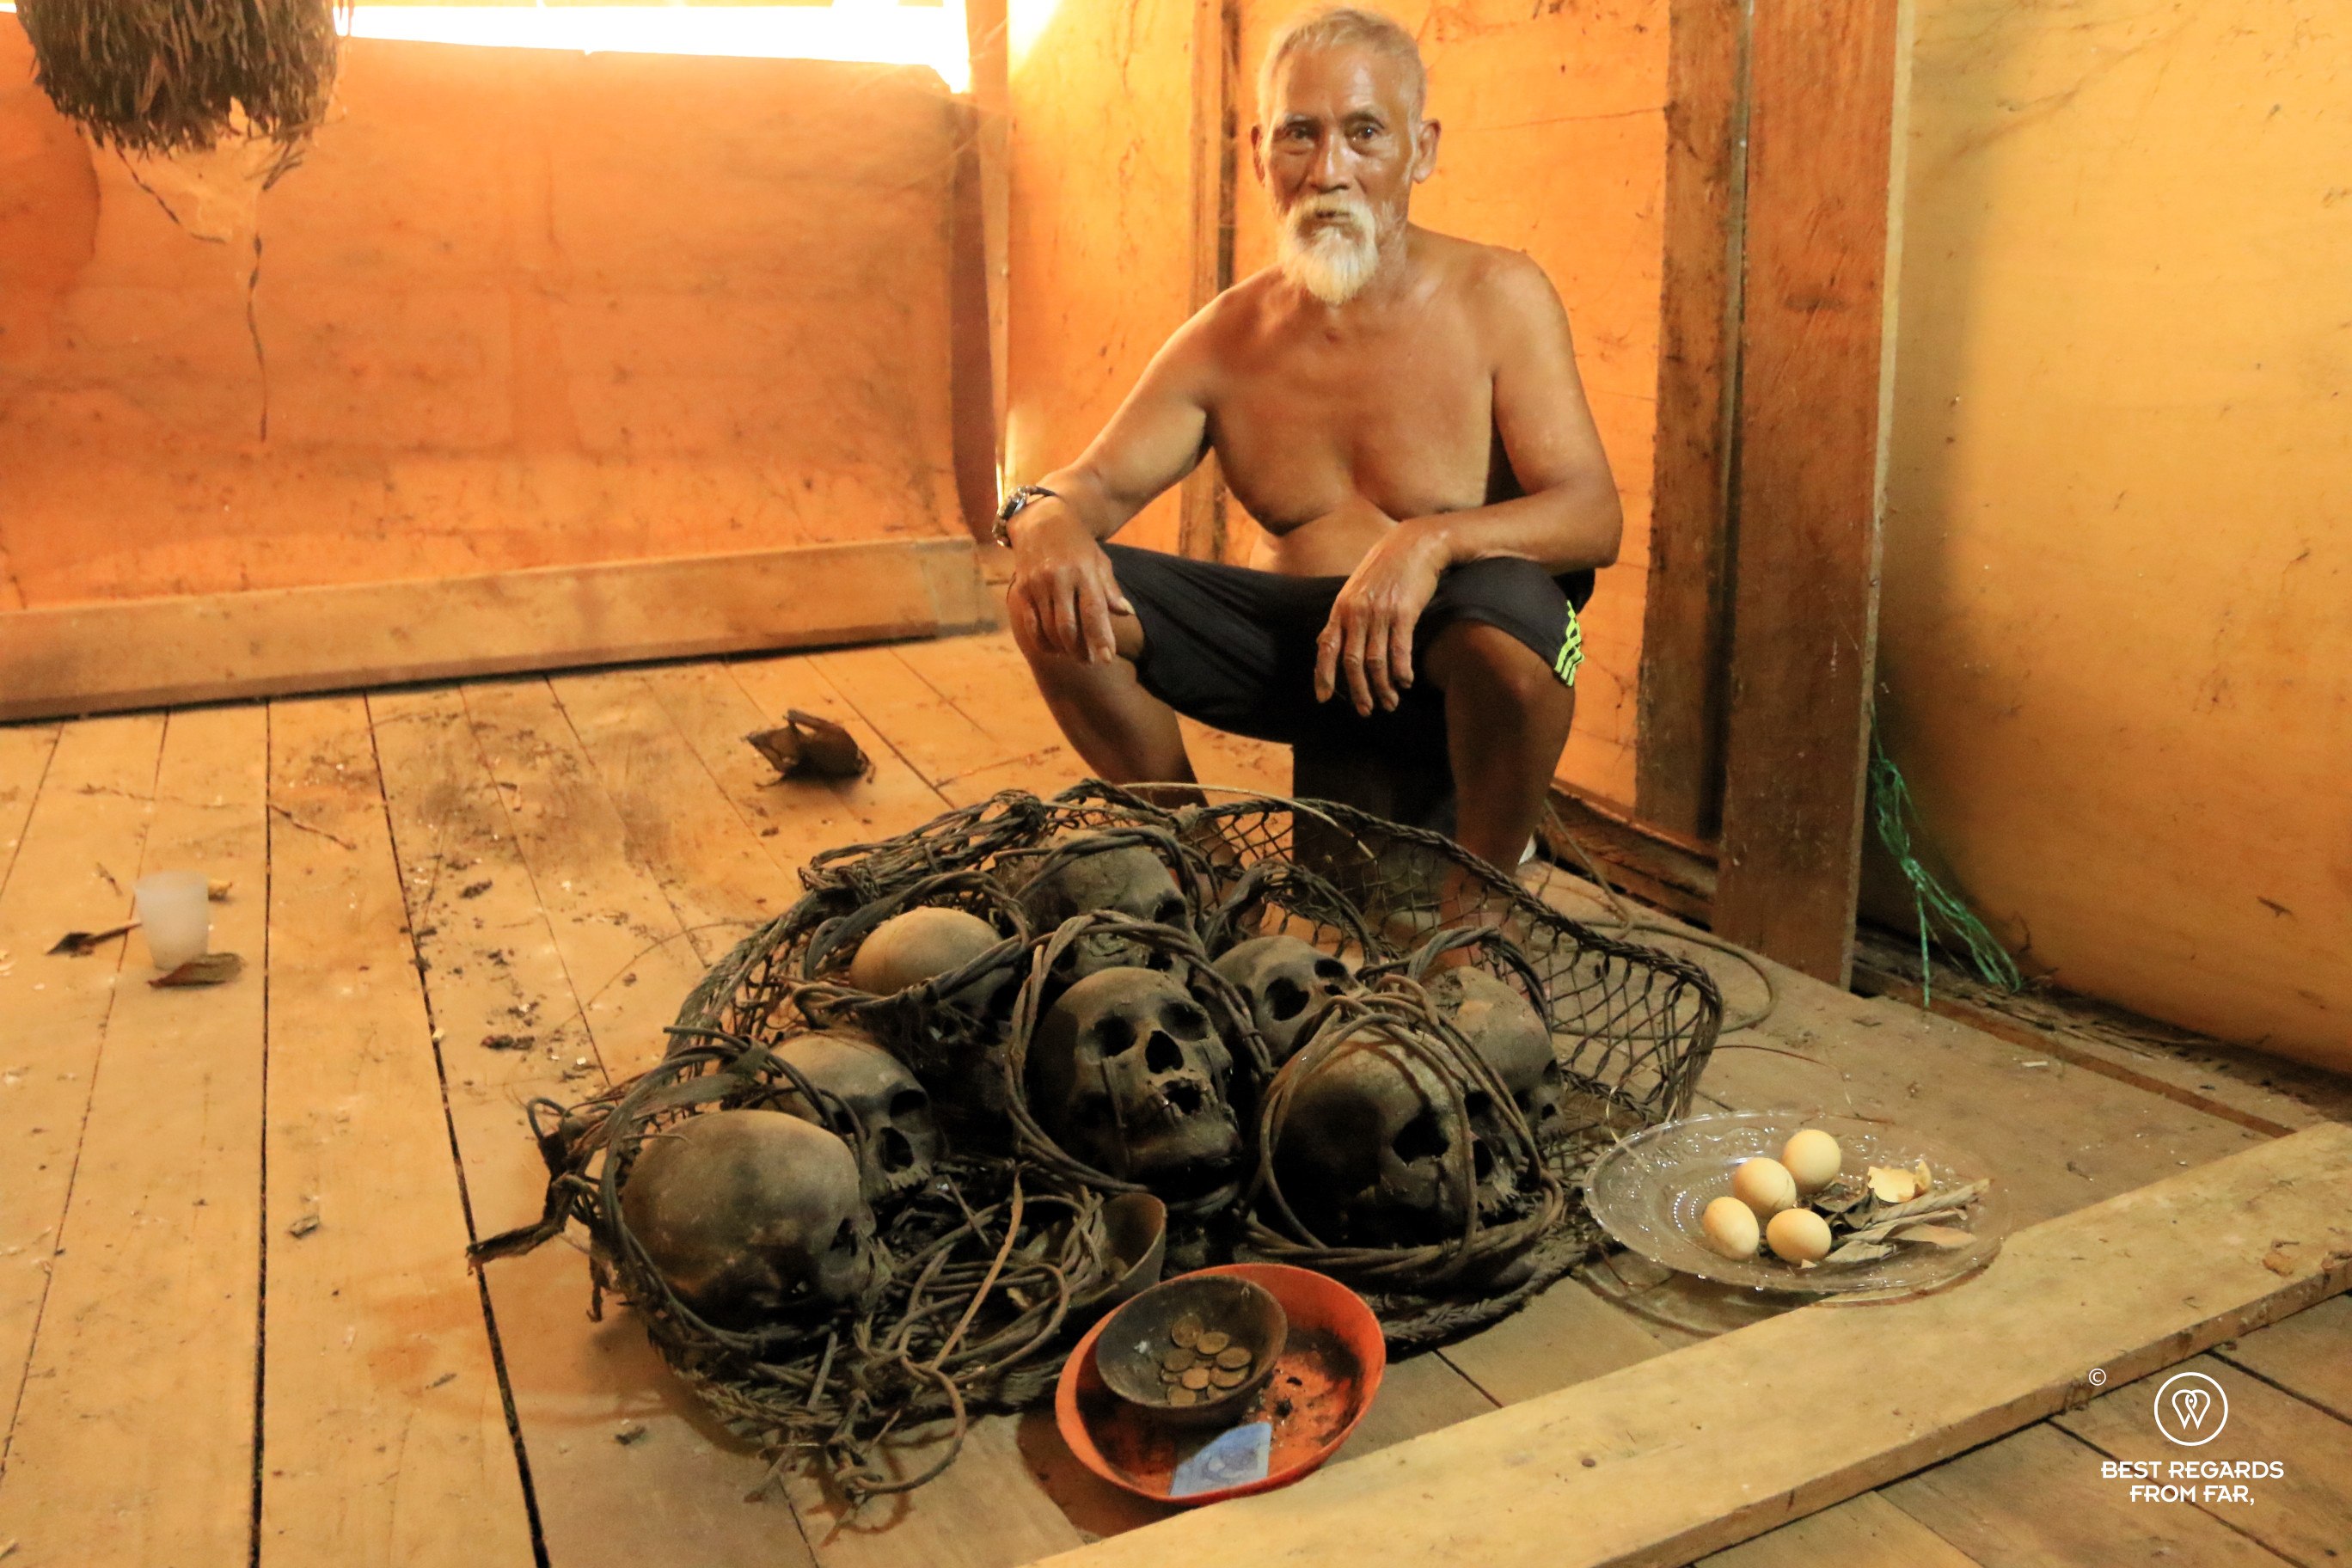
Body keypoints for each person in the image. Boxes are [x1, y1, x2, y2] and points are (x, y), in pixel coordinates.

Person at [1001, 4, 1621, 900]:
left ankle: (1480, 910)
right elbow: (1089, 484)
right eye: (1300, 135)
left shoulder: (1500, 295)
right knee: (1049, 598)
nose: (1330, 170)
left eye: (1365, 133)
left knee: (1519, 621)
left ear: (1423, 150)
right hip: (1301, 658)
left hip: (1453, 653)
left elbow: (1592, 516)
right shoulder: (1225, 338)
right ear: (1260, 154)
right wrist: (1039, 518)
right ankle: (1198, 870)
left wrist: (1427, 542)